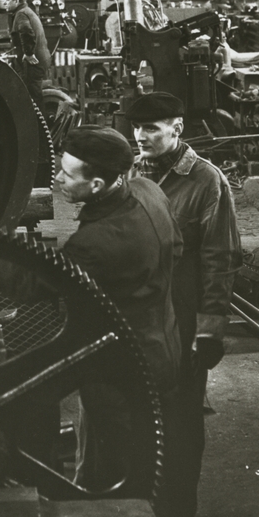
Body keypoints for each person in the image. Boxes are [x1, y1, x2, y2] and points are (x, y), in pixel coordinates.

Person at [122, 92, 242, 517]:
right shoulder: (130, 173)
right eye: (136, 128)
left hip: (182, 318)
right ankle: (141, 508)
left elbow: (220, 258)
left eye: (151, 128)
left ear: (177, 128)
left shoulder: (206, 182)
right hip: (137, 316)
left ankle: (178, 514)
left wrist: (209, 328)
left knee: (181, 419)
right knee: (136, 413)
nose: (140, 136)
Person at [54, 126, 182, 494]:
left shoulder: (94, 243)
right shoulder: (149, 191)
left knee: (117, 472)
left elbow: (29, 285)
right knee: (148, 454)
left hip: (121, 372)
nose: (58, 178)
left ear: (96, 185)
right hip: (164, 349)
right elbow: (177, 246)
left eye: (67, 174)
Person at [5, 0, 51, 110]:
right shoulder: (27, 11)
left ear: (16, 1)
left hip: (32, 64)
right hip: (39, 61)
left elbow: (26, 31)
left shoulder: (21, 14)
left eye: (7, 0)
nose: (4, 3)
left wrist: (29, 53)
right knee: (33, 96)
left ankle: (40, 123)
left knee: (32, 99)